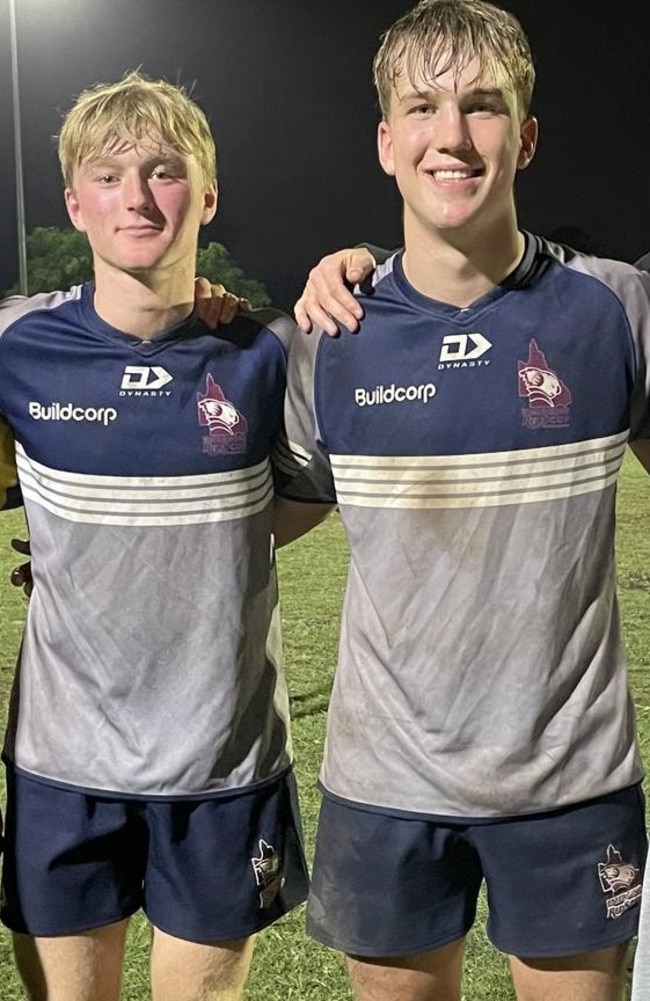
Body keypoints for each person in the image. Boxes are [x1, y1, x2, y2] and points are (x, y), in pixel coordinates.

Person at [278, 2, 650, 999]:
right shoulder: (332, 332)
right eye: (423, 107)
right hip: (383, 781)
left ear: (523, 137)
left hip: (568, 783)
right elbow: (284, 503)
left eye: (483, 107)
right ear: (386, 140)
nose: (452, 135)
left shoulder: (611, 308)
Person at [0, 70, 334, 1001]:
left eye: (163, 171)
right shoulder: (16, 347)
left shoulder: (267, 353)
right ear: (74, 202)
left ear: (209, 193)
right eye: (108, 176)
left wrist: (183, 545)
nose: (138, 197)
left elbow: (303, 499)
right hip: (63, 764)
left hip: (221, 761)